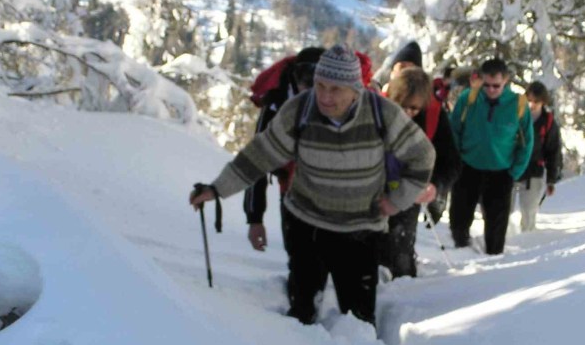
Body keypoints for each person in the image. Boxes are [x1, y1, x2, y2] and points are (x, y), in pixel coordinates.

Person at [189, 44, 435, 328]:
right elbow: (260, 155)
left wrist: (397, 200)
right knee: (301, 314)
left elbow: (422, 155)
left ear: (356, 89)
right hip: (307, 226)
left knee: (359, 322)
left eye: (335, 89)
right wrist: (217, 189)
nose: (325, 97)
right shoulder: (300, 109)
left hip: (360, 231)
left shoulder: (382, 113)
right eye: (320, 86)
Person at [379, 67, 462, 278]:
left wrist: (435, 186)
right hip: (374, 190)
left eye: (414, 108)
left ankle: (406, 284)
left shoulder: (434, 116)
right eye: (401, 106)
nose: (406, 113)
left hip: (409, 190)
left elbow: (451, 162)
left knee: (400, 249)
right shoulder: (377, 110)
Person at [448, 57, 534, 255]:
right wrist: (456, 160)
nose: (491, 90)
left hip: (501, 172)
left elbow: (527, 142)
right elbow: (454, 131)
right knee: (458, 220)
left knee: (496, 227)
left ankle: (494, 262)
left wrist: (515, 172)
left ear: (505, 81)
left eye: (496, 85)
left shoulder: (518, 104)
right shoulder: (468, 99)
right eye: (486, 85)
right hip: (468, 168)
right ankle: (461, 253)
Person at [244, 46, 323, 254]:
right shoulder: (277, 101)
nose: (310, 88)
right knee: (300, 257)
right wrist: (255, 218)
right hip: (291, 189)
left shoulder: (341, 99)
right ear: (295, 76)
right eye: (305, 79)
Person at [514, 81, 562, 232]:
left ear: (543, 102)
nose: (532, 105)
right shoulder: (516, 116)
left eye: (536, 101)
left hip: (534, 171)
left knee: (528, 211)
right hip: (511, 168)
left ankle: (528, 239)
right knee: (503, 210)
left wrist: (551, 179)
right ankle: (505, 239)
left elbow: (553, 151)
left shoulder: (548, 122)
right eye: (529, 100)